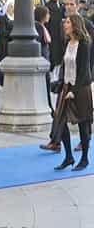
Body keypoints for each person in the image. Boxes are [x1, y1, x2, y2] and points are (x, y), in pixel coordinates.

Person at [40, 0, 94, 152]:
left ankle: (85, 140)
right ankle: (55, 141)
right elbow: (62, 48)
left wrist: (89, 75)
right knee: (60, 111)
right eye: (66, 4)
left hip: (82, 76)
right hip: (66, 75)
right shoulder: (63, 24)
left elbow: (89, 53)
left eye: (71, 4)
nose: (68, 7)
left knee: (83, 113)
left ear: (77, 5)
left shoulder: (88, 25)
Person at [52, 14, 92, 171]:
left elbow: (83, 70)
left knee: (83, 123)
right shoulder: (68, 42)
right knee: (60, 121)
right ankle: (69, 157)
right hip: (67, 86)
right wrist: (61, 84)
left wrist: (74, 92)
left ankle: (84, 159)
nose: (65, 25)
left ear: (75, 24)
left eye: (67, 22)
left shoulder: (84, 44)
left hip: (81, 88)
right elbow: (65, 65)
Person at [35, 6, 54, 115]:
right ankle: (49, 107)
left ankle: (49, 106)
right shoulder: (38, 26)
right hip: (43, 59)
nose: (49, 16)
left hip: (45, 58)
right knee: (45, 85)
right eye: (47, 14)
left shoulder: (41, 26)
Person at [45, 0, 65, 83]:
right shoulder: (47, 6)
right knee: (54, 56)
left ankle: (58, 76)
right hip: (52, 34)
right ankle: (53, 77)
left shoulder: (62, 4)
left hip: (61, 34)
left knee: (61, 56)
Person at [0, 2, 14, 86]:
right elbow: (3, 32)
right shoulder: (2, 18)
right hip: (4, 43)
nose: (12, 8)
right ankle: (2, 80)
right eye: (11, 6)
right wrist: (14, 33)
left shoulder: (16, 18)